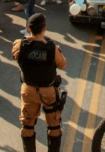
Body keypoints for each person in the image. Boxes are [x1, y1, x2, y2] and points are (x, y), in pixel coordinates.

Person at [12, 13, 67, 152]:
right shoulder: (51, 47)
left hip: (28, 90)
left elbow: (15, 55)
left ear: (29, 28)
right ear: (44, 29)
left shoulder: (20, 45)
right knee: (54, 124)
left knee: (27, 125)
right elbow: (63, 64)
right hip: (48, 91)